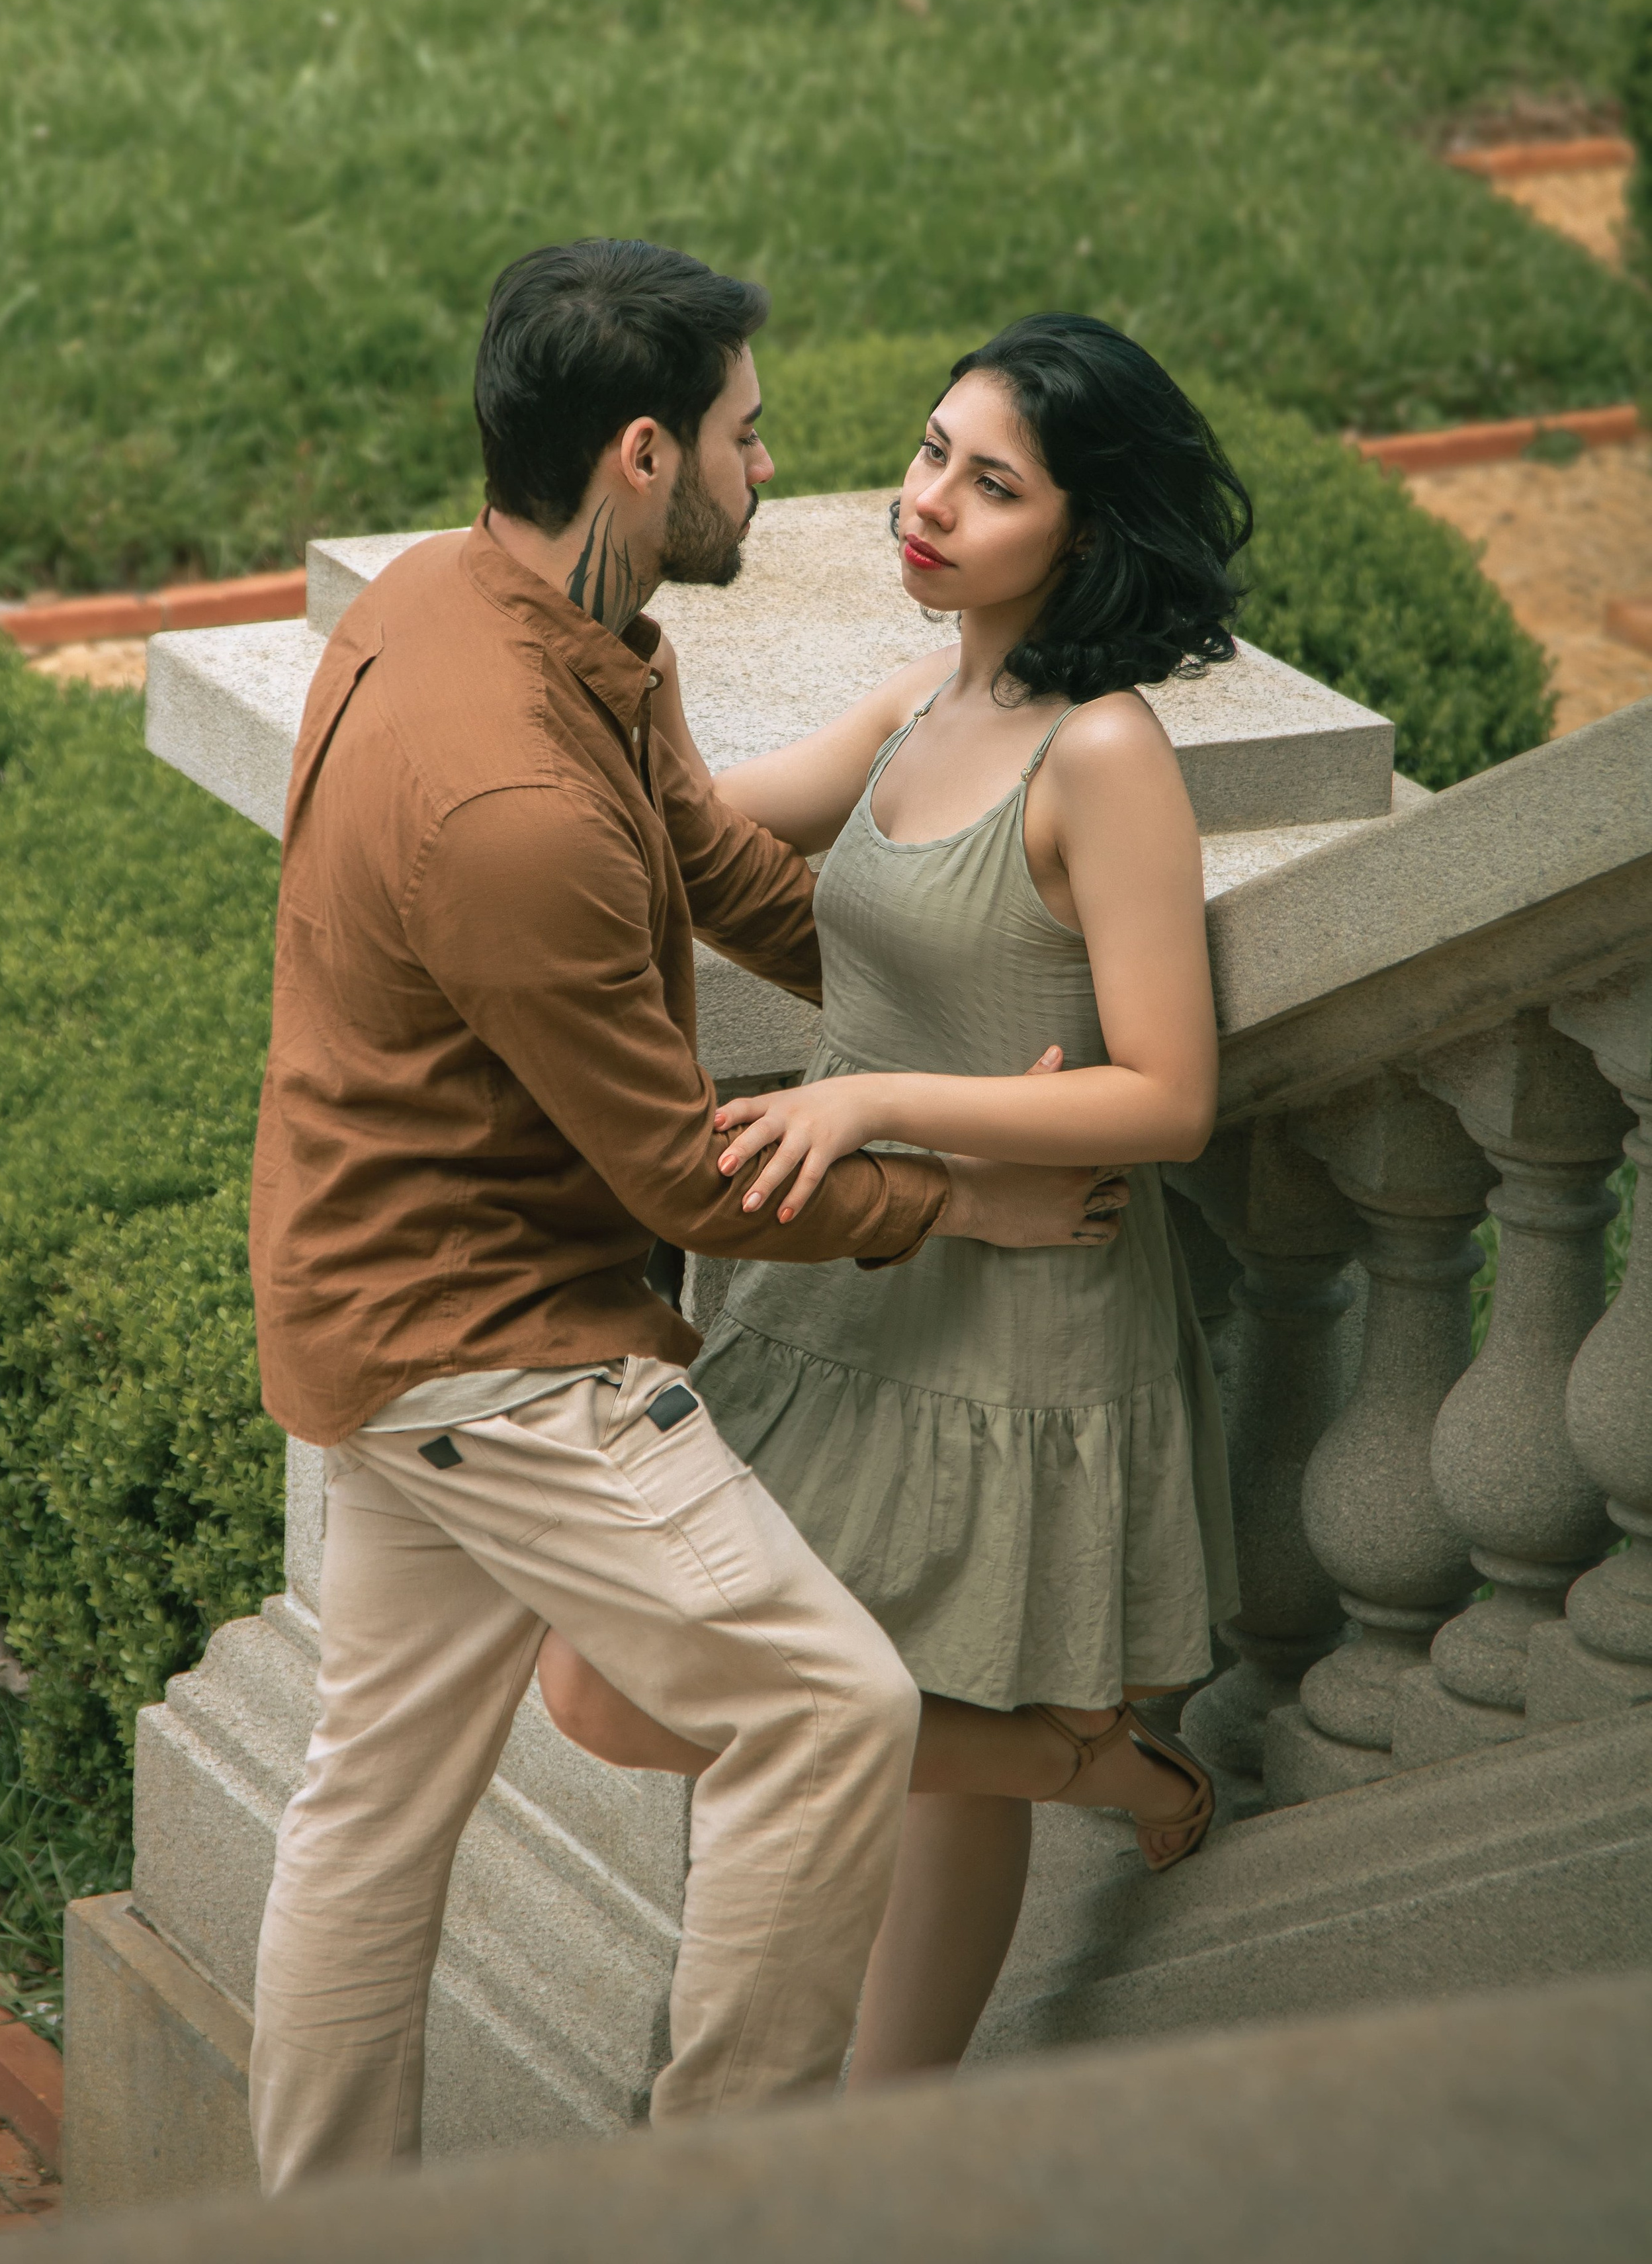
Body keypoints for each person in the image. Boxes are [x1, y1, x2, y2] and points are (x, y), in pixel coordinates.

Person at [244, 243, 1121, 2193]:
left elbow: (711, 860)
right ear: (643, 456)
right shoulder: (511, 805)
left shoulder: (488, 605)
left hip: (373, 1290)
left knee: (368, 1813)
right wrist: (962, 1193)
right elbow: (681, 1173)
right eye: (745, 434)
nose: (770, 465)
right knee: (830, 1709)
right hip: (489, 1347)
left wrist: (943, 1005)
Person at [537, 311, 1248, 2083]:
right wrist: (590, 649)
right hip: (848, 1287)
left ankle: (890, 2136)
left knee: (938, 1737)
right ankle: (1092, 1764)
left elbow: (1170, 1096)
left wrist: (863, 1101)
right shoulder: (918, 701)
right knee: (611, 1682)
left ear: (1086, 532)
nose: (928, 501)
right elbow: (686, 832)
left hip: (1022, 1306)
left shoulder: (1104, 755)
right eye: (935, 452)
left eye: (993, 485)